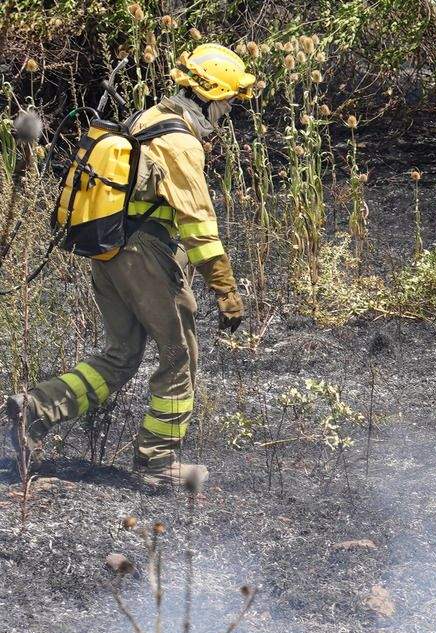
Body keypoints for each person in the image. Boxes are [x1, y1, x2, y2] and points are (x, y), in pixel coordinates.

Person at [7, 43, 255, 491]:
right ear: (212, 94)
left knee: (120, 355)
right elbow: (198, 225)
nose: (229, 109)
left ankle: (35, 410)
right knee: (180, 355)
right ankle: (158, 461)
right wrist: (226, 290)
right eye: (229, 99)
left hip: (110, 251)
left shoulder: (148, 118)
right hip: (146, 257)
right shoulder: (179, 140)